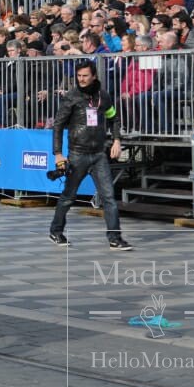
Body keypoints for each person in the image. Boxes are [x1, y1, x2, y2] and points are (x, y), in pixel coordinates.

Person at [49, 60, 132, 251]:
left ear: (94, 76)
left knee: (109, 197)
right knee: (68, 197)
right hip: (77, 155)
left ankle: (115, 238)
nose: (81, 79)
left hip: (99, 154)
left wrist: (117, 140)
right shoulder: (71, 97)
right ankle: (56, 231)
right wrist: (58, 153)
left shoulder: (103, 96)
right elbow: (58, 125)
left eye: (85, 75)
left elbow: (113, 118)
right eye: (79, 76)